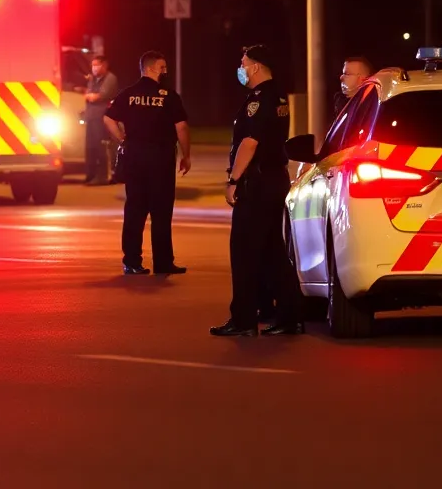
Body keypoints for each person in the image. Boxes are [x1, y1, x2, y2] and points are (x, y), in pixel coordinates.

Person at [211, 45, 303, 336]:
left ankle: (244, 320)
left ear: (257, 67)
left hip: (258, 183)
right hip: (273, 180)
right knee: (272, 252)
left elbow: (249, 143)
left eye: (244, 63)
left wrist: (233, 180)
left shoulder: (260, 100)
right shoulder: (277, 96)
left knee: (244, 252)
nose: (240, 68)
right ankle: (290, 316)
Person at [103, 51, 190, 275]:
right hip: (161, 159)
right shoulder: (169, 96)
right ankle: (163, 262)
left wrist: (122, 139)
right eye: (162, 67)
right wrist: (186, 155)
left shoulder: (128, 94)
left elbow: (108, 117)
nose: (165, 71)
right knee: (161, 212)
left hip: (134, 158)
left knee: (135, 210)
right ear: (151, 68)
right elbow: (181, 127)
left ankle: (132, 262)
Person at [83, 55, 118, 186]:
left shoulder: (110, 78)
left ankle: (102, 176)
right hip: (91, 117)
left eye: (97, 65)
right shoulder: (93, 79)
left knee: (100, 147)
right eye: (93, 65)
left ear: (104, 65)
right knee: (90, 147)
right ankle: (90, 175)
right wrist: (90, 96)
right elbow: (88, 95)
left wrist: (92, 96)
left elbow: (101, 96)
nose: (94, 68)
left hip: (102, 118)